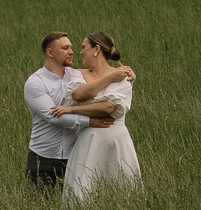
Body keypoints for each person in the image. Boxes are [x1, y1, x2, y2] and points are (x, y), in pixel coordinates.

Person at [23, 31, 125, 191]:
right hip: (43, 158)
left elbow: (102, 78)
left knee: (73, 207)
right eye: (65, 48)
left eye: (71, 47)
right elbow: (53, 117)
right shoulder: (35, 83)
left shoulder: (77, 75)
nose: (71, 51)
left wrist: (127, 74)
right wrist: (90, 122)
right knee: (39, 207)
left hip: (75, 155)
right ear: (50, 52)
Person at [61, 31, 142, 203]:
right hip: (88, 139)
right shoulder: (79, 74)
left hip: (116, 141)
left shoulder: (123, 76)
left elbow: (109, 107)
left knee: (122, 192)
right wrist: (109, 78)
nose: (80, 52)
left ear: (96, 49)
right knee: (82, 193)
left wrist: (72, 110)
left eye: (84, 47)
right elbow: (78, 95)